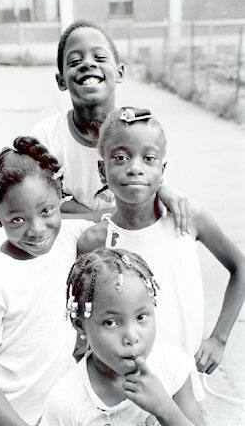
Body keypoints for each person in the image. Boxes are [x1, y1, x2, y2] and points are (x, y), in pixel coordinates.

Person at [77, 107, 245, 398]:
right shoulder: (95, 241)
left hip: (185, 388)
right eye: (120, 158)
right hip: (124, 393)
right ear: (102, 169)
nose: (135, 167)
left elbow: (240, 267)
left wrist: (218, 338)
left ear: (163, 171)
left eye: (149, 158)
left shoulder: (186, 221)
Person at [0, 137, 93, 426]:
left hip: (46, 417)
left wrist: (166, 193)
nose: (36, 230)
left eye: (46, 211)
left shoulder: (69, 239)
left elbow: (125, 219)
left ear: (60, 197)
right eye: (18, 220)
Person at [31, 20, 191, 234]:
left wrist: (163, 190)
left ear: (120, 72)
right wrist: (111, 217)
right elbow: (38, 213)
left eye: (99, 57)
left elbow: (151, 202)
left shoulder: (139, 130)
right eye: (75, 61)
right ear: (61, 81)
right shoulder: (45, 135)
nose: (87, 64)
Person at [40, 247, 205, 426]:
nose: (131, 337)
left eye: (140, 317)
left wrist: (165, 409)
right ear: (80, 326)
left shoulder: (172, 366)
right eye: (110, 323)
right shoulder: (66, 401)